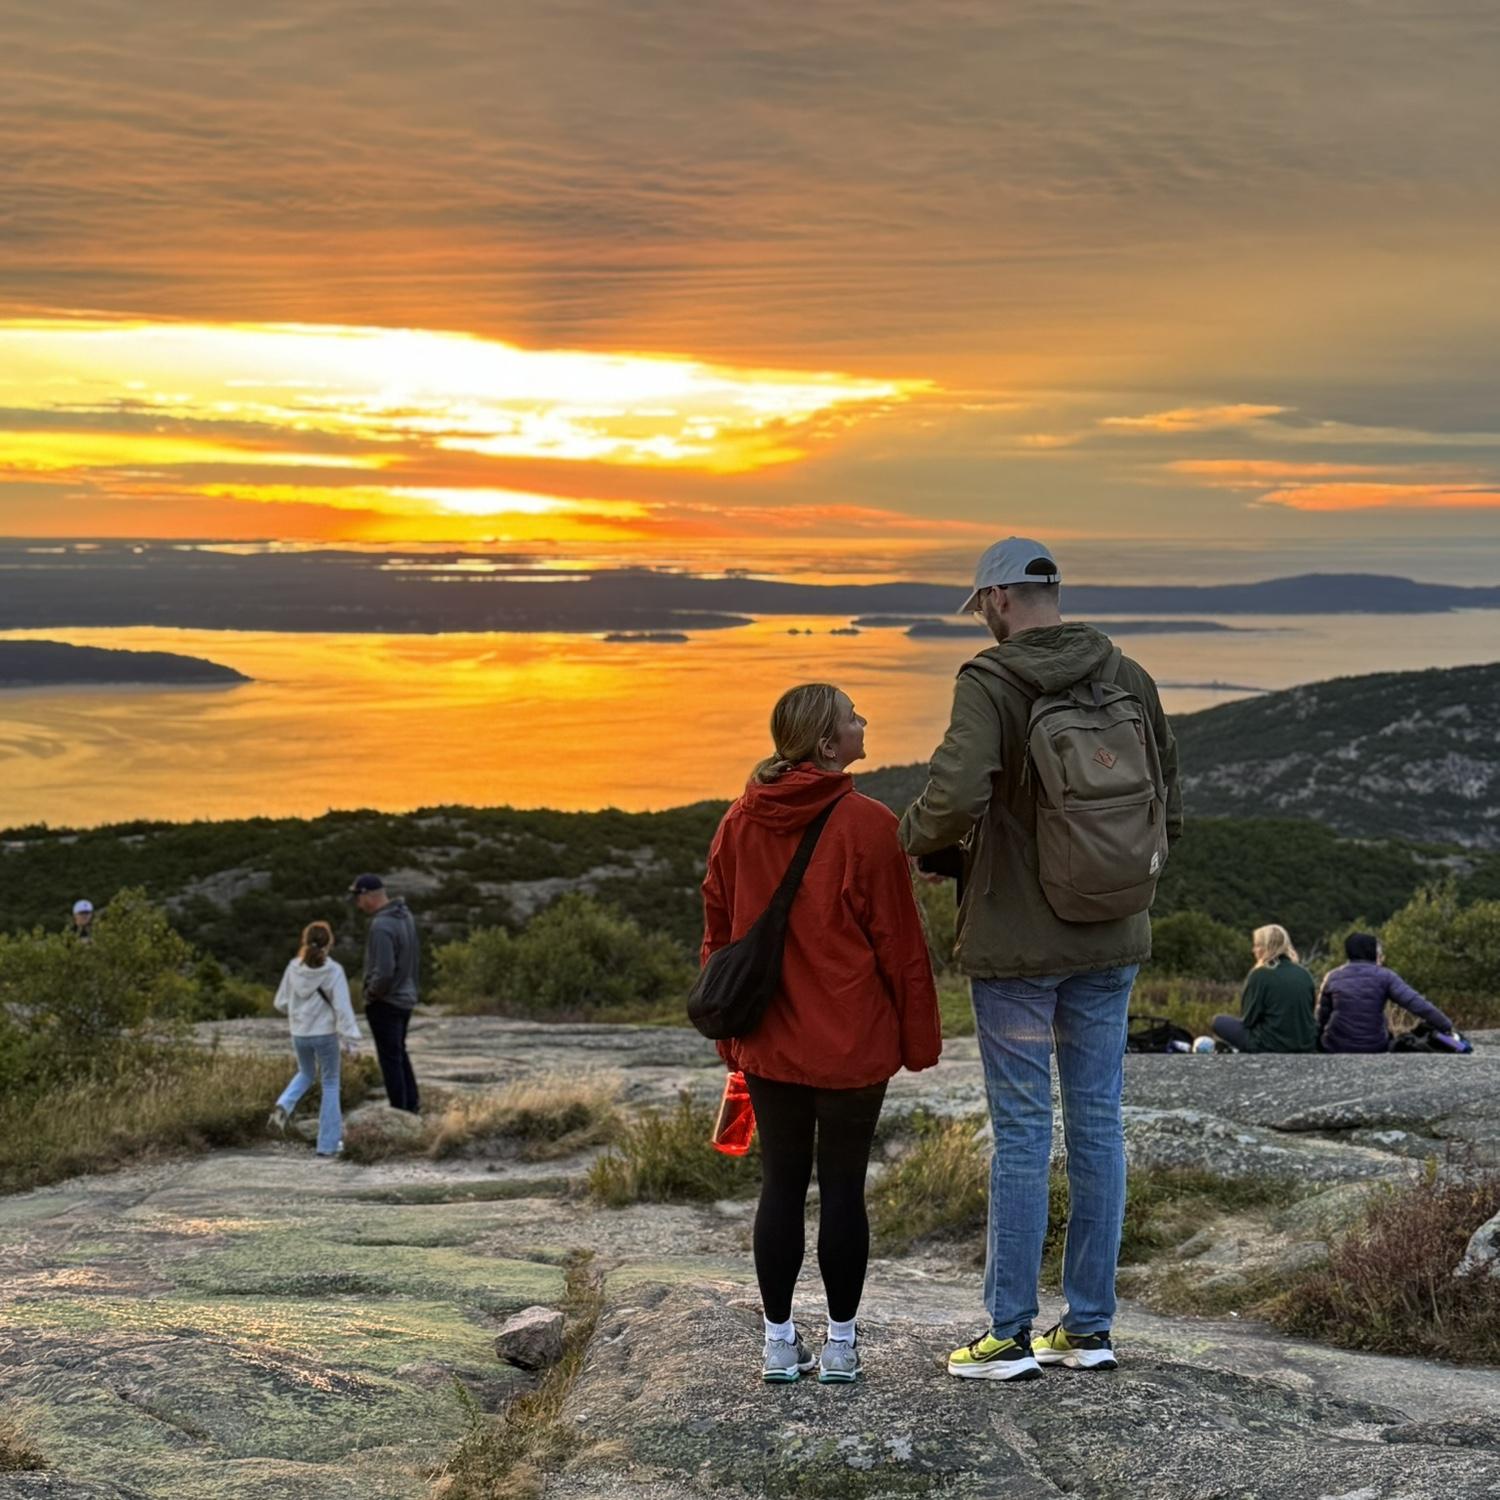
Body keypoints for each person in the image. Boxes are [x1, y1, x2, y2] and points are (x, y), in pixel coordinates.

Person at [899, 537, 1182, 1381]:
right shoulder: (1127, 675)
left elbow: (954, 796)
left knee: (1023, 1132)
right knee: (1098, 1123)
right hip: (1112, 934)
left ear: (995, 599)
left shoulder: (991, 681)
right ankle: (1089, 1327)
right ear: (1053, 591)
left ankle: (1008, 1335)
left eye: (981, 606)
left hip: (1019, 945)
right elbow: (1166, 798)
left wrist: (915, 841)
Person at [702, 683, 942, 1385]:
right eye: (852, 716)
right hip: (851, 1043)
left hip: (768, 1038)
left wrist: (729, 1035)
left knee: (779, 1186)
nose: (864, 722)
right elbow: (900, 944)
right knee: (843, 1190)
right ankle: (840, 1347)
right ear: (828, 743)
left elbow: (718, 931)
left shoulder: (739, 820)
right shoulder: (868, 824)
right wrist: (918, 1040)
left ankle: (779, 1344)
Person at [267, 921, 362, 1156]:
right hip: (324, 1034)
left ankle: (283, 1105)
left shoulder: (293, 967)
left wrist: (299, 1012)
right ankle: (327, 1145)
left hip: (299, 1034)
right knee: (330, 1083)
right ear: (329, 943)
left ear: (305, 940)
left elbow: (280, 1002)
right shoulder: (333, 970)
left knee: (306, 1073)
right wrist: (351, 1037)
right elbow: (342, 1007)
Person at [349, 873, 422, 1113]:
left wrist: (371, 994)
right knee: (399, 1053)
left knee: (390, 1059)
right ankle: (412, 1106)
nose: (358, 904)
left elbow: (385, 970)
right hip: (406, 998)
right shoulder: (405, 916)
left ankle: (399, 1112)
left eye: (358, 898)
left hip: (386, 1001)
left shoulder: (381, 925)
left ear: (367, 895)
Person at [1317, 933, 1455, 1053]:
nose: (1382, 958)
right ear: (1372, 953)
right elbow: (1416, 1003)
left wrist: (1319, 1039)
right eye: (1380, 954)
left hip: (1335, 1045)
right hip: (1374, 1046)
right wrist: (1445, 1025)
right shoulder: (1385, 976)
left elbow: (1322, 1016)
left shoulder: (1332, 976)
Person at [1211, 925, 1317, 1053]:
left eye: (1257, 945)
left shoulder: (1260, 974)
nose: (1253, 950)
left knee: (1219, 1021)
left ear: (1266, 948)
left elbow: (1248, 1019)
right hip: (1305, 1044)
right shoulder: (1304, 974)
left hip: (1269, 1044)